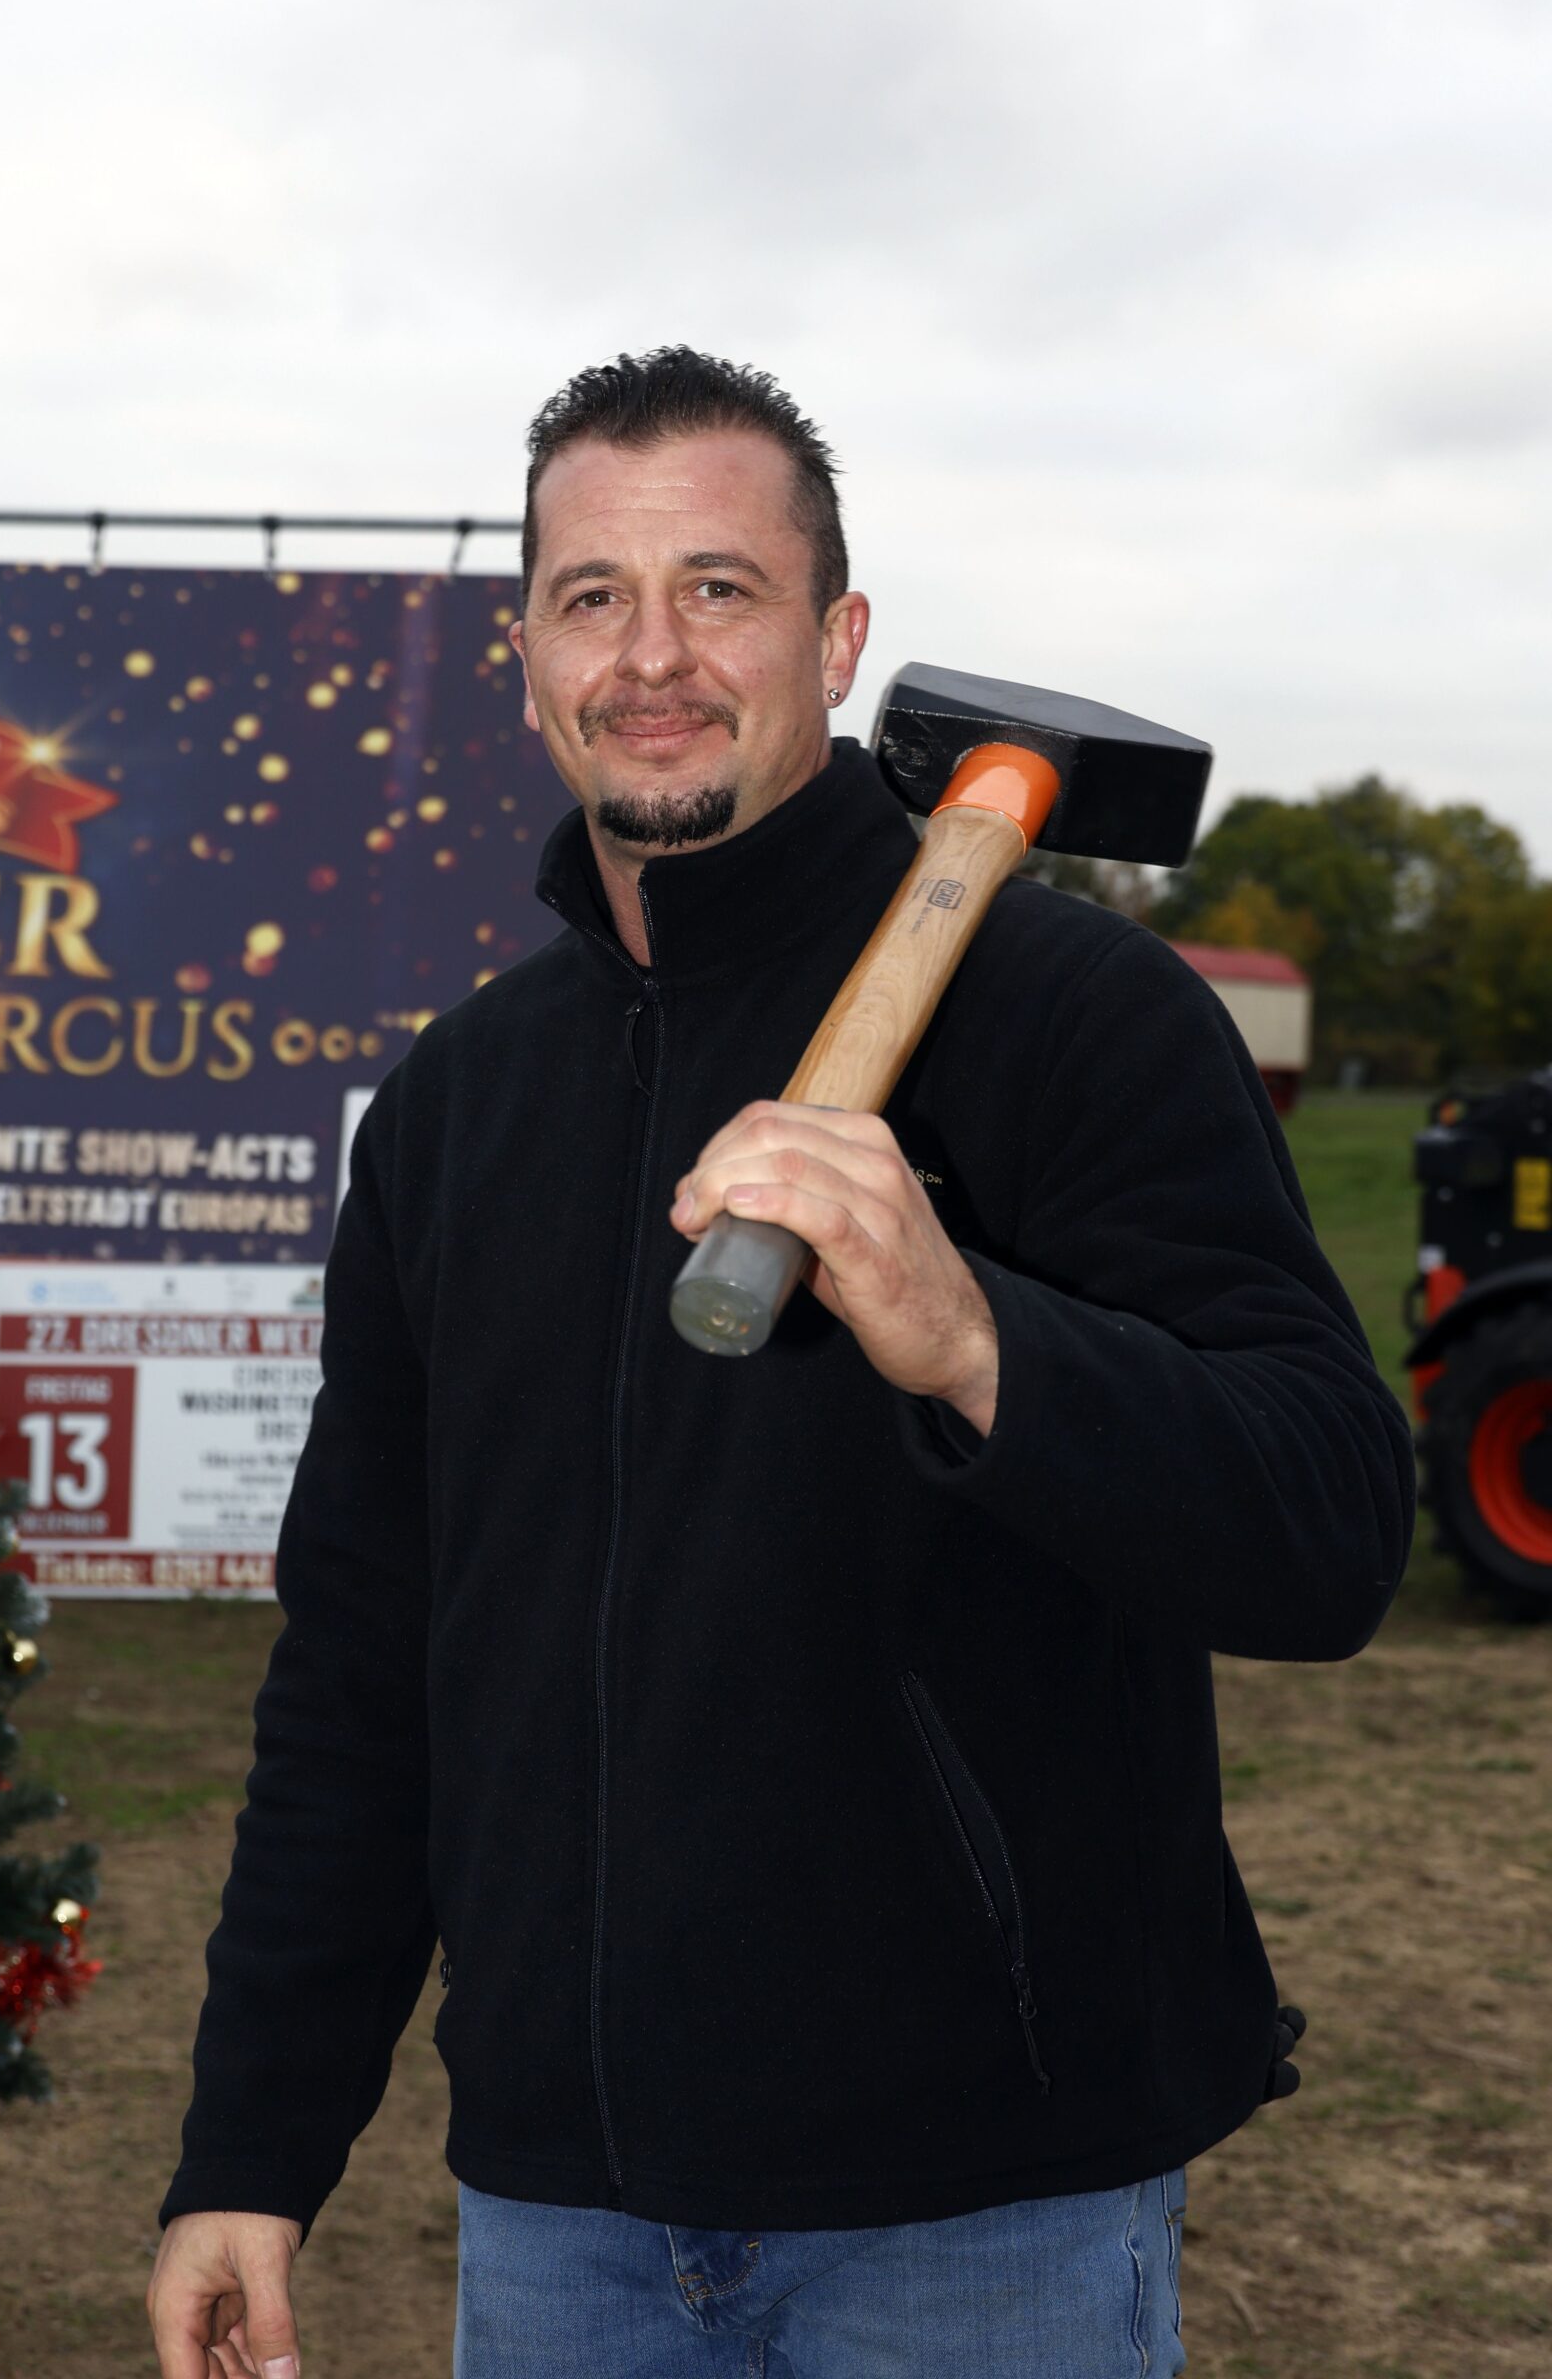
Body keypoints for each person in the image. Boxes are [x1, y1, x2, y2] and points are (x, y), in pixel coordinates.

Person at [148, 347, 1414, 2379]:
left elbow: (1331, 1525)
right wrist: (252, 2144)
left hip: (976, 2207)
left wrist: (974, 1334)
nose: (653, 652)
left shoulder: (1082, 1017)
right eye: (593, 596)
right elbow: (367, 1661)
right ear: (528, 656)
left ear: (835, 638)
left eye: (718, 588)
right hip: (558, 2213)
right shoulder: (459, 1108)